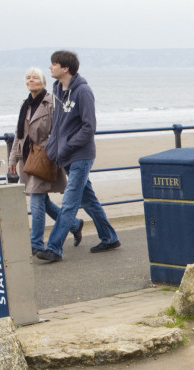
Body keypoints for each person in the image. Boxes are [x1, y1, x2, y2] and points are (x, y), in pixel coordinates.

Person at [40, 50, 120, 263]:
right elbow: (58, 125)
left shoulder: (82, 91)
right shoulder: (57, 90)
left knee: (70, 201)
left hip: (81, 156)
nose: (50, 68)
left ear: (65, 68)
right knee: (89, 200)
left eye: (53, 64)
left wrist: (66, 147)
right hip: (65, 155)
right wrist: (53, 148)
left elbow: (89, 127)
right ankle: (110, 237)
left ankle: (55, 248)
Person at [7, 67, 83, 255]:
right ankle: (73, 224)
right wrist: (13, 158)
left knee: (36, 200)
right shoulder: (25, 104)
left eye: (35, 77)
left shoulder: (51, 103)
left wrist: (52, 151)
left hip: (44, 158)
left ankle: (36, 244)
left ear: (43, 82)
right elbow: (19, 133)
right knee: (41, 200)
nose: (31, 80)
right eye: (28, 77)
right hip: (28, 159)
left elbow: (58, 130)